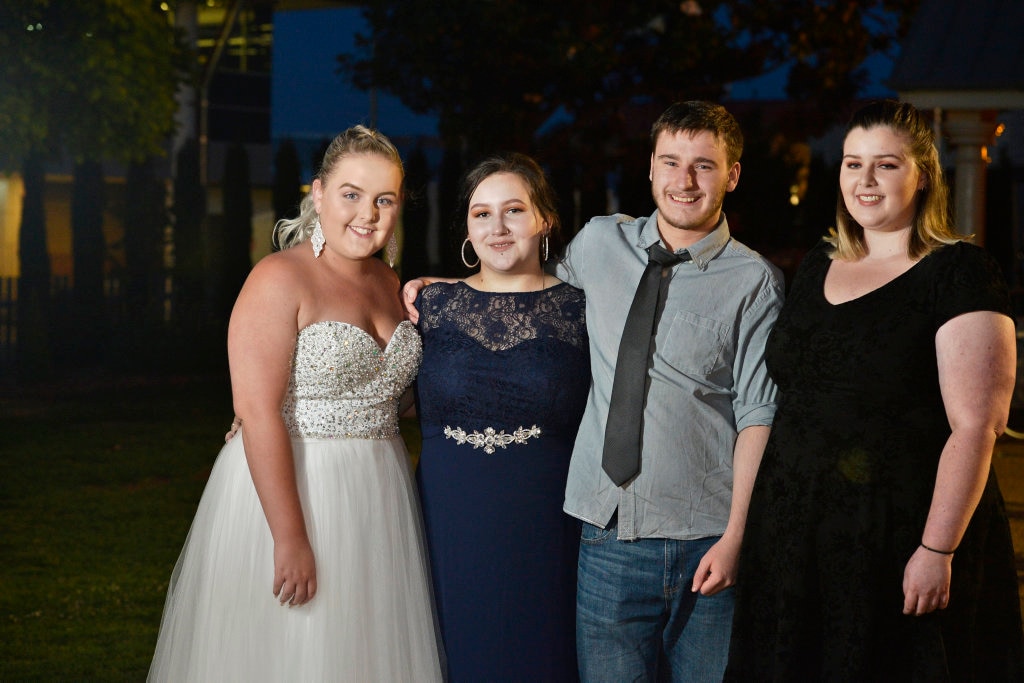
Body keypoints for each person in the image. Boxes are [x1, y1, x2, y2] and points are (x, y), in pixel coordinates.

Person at [404, 101, 785, 681]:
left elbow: (759, 413)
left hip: (703, 536)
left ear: (732, 175)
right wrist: (449, 291)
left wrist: (736, 537)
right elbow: (523, 293)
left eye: (704, 166)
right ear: (651, 168)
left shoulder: (754, 280)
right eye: (671, 162)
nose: (684, 181)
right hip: (603, 532)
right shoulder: (600, 244)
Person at [725, 100, 1024, 681]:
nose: (864, 181)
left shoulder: (960, 271)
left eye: (885, 165)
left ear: (923, 175)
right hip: (794, 538)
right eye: (851, 163)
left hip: (899, 536)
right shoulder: (819, 263)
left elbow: (977, 425)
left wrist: (937, 550)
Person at [148, 126, 445, 682]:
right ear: (319, 194)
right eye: (351, 194)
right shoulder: (279, 277)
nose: (368, 214)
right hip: (296, 487)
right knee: (298, 650)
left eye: (384, 199)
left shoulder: (392, 283)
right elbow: (257, 410)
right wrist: (289, 537)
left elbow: (395, 395)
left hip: (380, 489)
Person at [414, 153, 589, 682]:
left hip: (545, 524)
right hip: (447, 520)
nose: (497, 227)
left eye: (514, 210)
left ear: (544, 221)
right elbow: (377, 393)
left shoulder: (586, 309)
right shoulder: (430, 306)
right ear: (466, 227)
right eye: (481, 213)